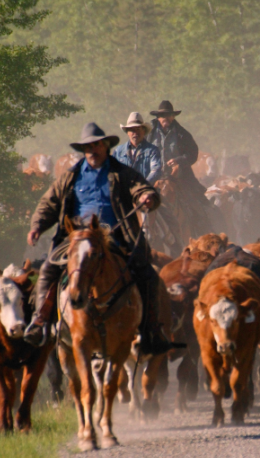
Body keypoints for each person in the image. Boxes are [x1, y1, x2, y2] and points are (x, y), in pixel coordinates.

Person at [23, 122, 180, 354]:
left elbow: (141, 188)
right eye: (87, 147)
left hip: (117, 235)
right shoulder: (71, 176)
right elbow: (50, 202)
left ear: (106, 147)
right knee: (48, 270)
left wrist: (147, 196)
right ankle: (40, 321)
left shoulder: (122, 173)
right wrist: (37, 226)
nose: (92, 151)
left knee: (146, 272)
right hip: (75, 238)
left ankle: (152, 329)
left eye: (96, 146)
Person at [146, 100, 217, 234]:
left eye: (169, 115)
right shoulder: (149, 133)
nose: (165, 118)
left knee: (196, 205)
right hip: (154, 177)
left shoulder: (182, 134)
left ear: (173, 117)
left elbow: (192, 154)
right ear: (158, 118)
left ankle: (202, 232)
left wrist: (179, 161)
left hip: (180, 178)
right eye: (162, 116)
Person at [112, 112, 162, 183]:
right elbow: (112, 171)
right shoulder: (118, 152)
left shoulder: (152, 150)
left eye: (138, 129)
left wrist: (142, 186)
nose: (135, 133)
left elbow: (156, 171)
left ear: (143, 131)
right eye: (132, 130)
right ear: (127, 132)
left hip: (145, 191)